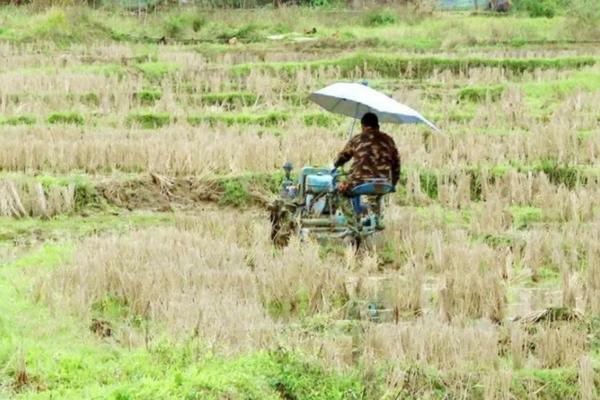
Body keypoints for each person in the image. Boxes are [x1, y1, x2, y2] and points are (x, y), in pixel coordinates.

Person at [333, 112, 400, 194]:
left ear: (362, 126)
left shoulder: (357, 139)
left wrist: (336, 164)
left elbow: (343, 157)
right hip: (383, 184)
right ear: (378, 126)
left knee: (341, 188)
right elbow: (396, 165)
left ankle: (348, 206)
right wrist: (393, 184)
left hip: (358, 183)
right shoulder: (389, 140)